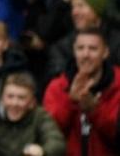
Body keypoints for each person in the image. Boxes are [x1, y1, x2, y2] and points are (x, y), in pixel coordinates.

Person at [43, 28, 120, 156]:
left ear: (105, 52)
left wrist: (95, 111)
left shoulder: (117, 85)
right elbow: (49, 134)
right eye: (80, 48)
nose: (86, 54)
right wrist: (70, 102)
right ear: (74, 51)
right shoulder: (57, 87)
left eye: (93, 49)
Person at [0, 72, 65, 156]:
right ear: (2, 99)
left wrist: (43, 151)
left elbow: (56, 141)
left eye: (21, 98)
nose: (15, 103)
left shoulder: (40, 117)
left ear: (32, 102)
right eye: (10, 96)